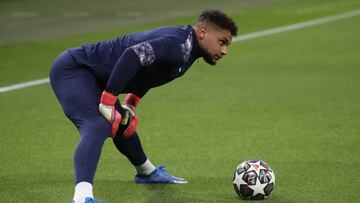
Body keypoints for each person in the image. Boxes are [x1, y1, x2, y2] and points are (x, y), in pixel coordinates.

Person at [50, 9, 238, 203]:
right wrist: (108, 100)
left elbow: (150, 71)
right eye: (222, 42)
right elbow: (133, 55)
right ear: (203, 32)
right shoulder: (178, 43)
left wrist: (131, 102)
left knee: (124, 124)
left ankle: (147, 173)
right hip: (75, 69)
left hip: (96, 78)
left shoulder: (190, 49)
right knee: (98, 125)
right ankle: (81, 197)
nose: (224, 51)